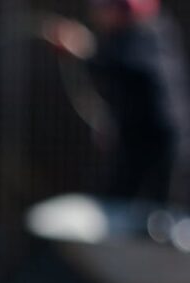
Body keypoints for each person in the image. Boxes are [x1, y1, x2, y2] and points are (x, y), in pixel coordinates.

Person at [47, 0, 190, 206]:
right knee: (119, 203)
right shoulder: (133, 37)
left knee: (156, 211)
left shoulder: (146, 36)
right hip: (137, 141)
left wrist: (84, 48)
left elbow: (124, 66)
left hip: (160, 145)